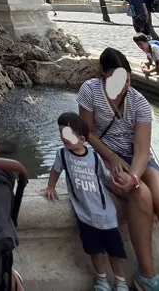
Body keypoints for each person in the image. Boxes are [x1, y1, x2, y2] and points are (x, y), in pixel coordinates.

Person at [77, 47, 159, 291]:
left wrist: (134, 176)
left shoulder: (140, 103)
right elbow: (87, 132)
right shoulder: (90, 90)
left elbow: (143, 150)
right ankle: (147, 275)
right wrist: (112, 158)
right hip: (106, 155)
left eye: (125, 79)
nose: (121, 85)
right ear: (102, 75)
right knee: (142, 195)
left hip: (138, 157)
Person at [43, 111, 128, 291]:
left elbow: (106, 179)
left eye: (67, 133)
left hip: (106, 215)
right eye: (60, 132)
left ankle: (120, 282)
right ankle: (102, 280)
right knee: (94, 250)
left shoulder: (94, 157)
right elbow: (55, 170)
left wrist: (119, 184)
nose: (62, 137)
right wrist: (51, 186)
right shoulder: (62, 155)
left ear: (81, 139)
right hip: (85, 215)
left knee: (115, 251)